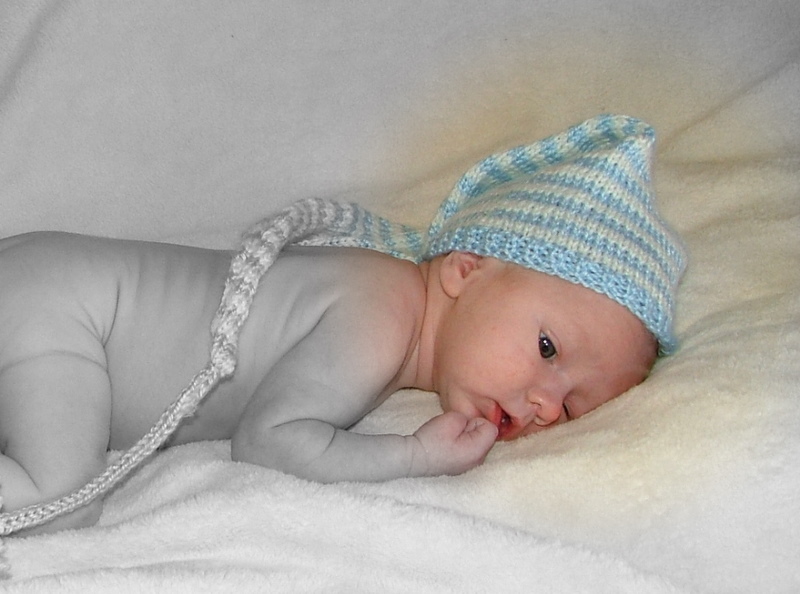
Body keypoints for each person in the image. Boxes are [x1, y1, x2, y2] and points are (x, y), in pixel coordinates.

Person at [0, 114, 686, 535]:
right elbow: (271, 440)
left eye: (573, 406)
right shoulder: (381, 311)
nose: (544, 403)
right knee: (59, 499)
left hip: (47, 295)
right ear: (466, 269)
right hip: (68, 309)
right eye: (547, 347)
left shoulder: (384, 308)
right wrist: (414, 457)